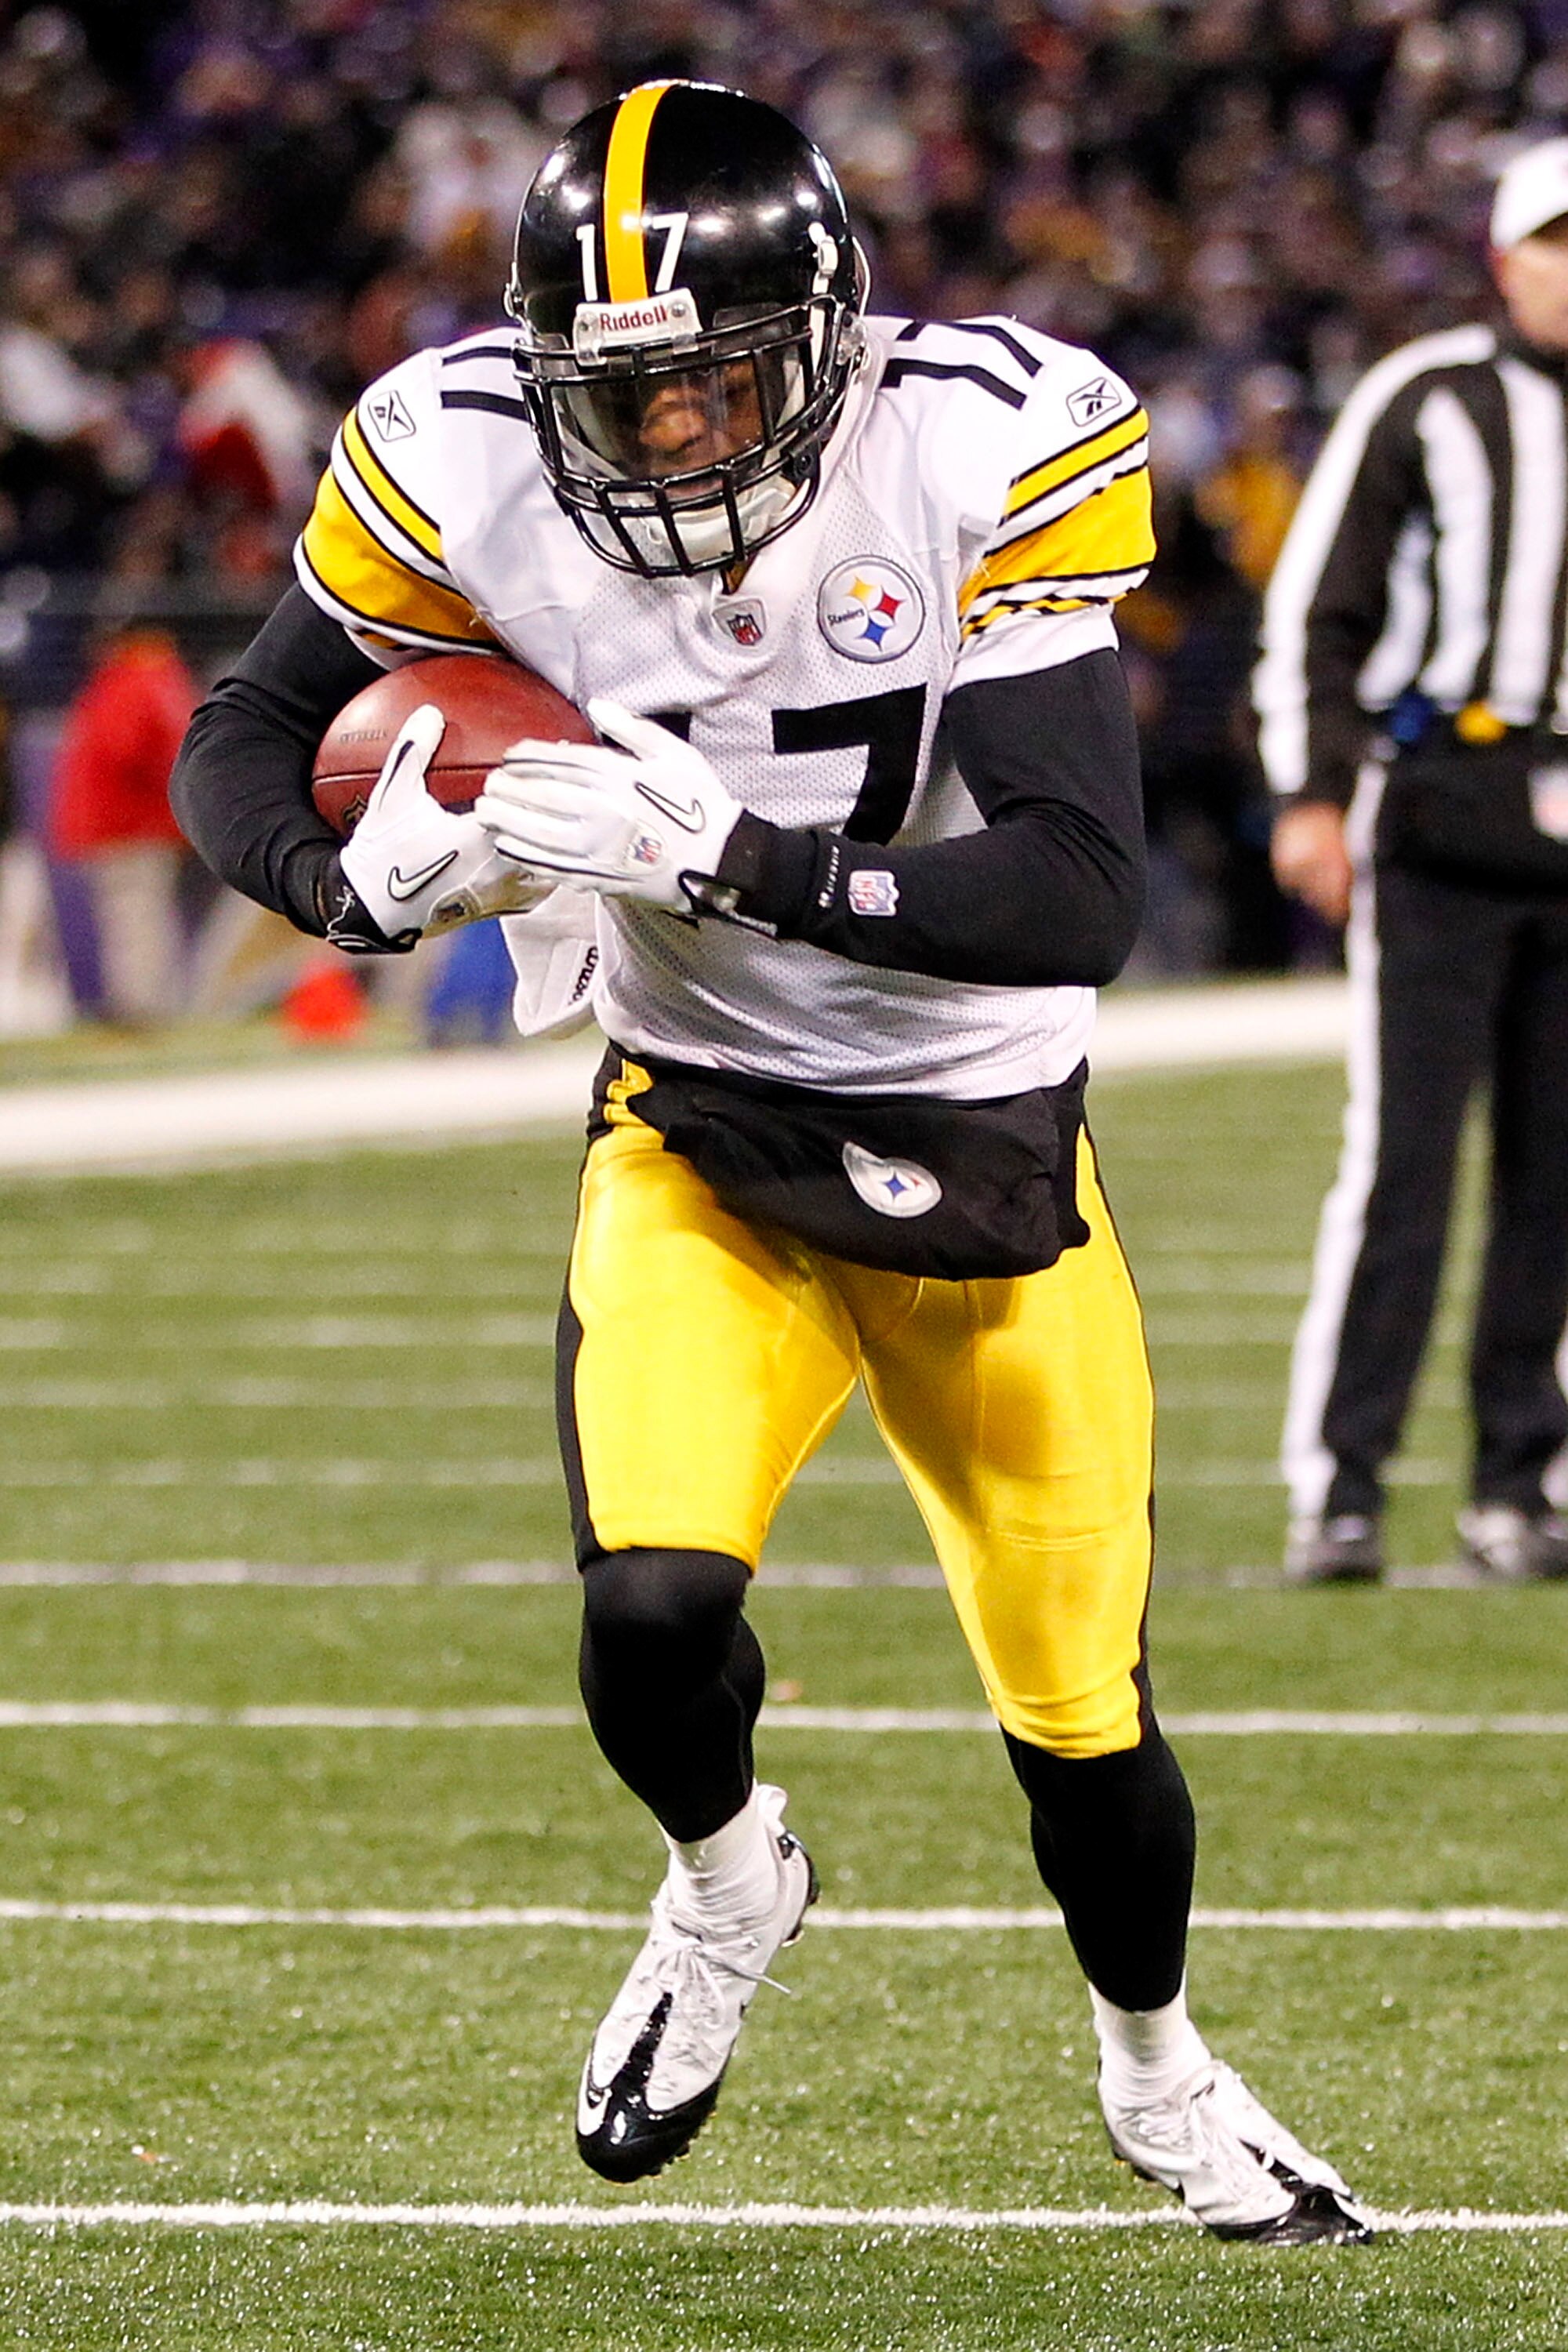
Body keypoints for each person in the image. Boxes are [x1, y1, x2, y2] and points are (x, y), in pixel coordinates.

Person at [172, 81, 1370, 2244]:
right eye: (617, 400)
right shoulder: (450, 447)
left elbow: (1075, 885)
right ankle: (732, 1887)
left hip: (987, 1143)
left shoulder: (983, 438)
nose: (669, 444)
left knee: (1082, 1727)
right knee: (648, 1612)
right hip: (702, 1128)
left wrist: (726, 853)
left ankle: (1161, 2076)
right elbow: (242, 735)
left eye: (718, 384)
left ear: (822, 345)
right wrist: (359, 894)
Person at [1258, 135, 1568, 1585]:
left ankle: (1520, 1481)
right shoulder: (1429, 395)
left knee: (1556, 1179)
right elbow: (1320, 606)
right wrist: (1311, 794)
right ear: (1506, 261)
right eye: (1557, 242)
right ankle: (1346, 1481)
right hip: (1443, 805)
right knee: (1405, 1165)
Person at [49, 619, 196, 1027]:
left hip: (127, 824)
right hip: (138, 824)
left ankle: (142, 1008)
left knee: (135, 918)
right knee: (141, 916)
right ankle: (147, 1003)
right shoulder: (157, 678)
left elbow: (128, 749)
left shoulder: (136, 678)